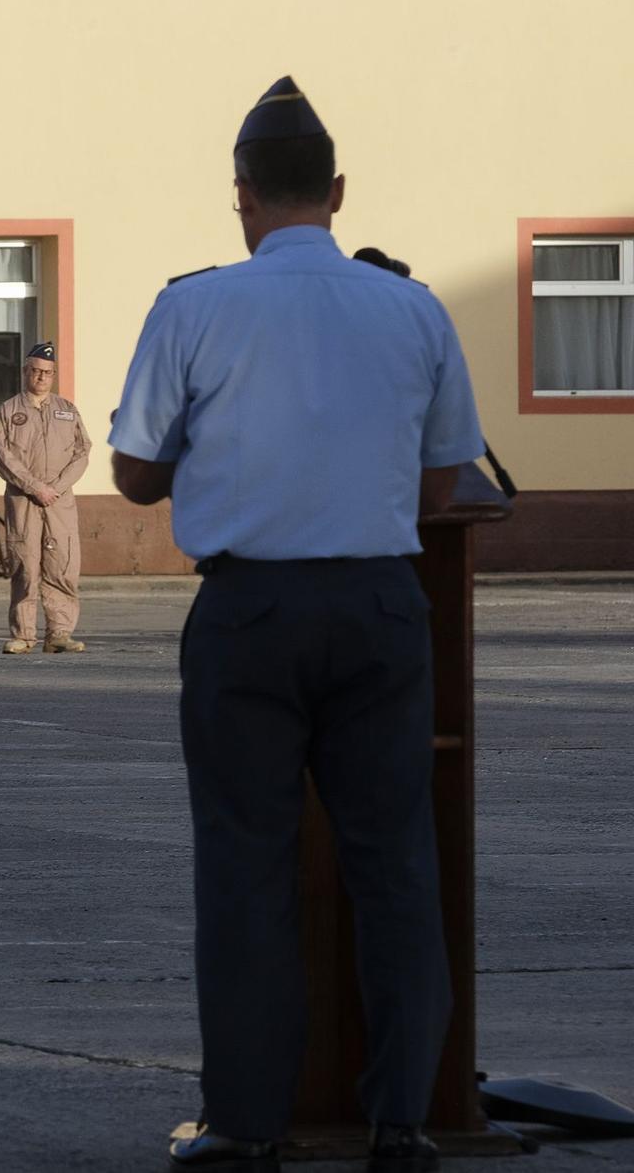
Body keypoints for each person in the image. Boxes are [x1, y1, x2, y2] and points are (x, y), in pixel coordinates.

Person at [111, 77, 483, 1171]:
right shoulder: (412, 307)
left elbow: (132, 476)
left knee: (244, 865)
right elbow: (441, 482)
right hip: (378, 605)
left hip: (249, 610)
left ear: (240, 197)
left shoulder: (193, 305)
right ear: (336, 191)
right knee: (395, 863)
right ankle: (403, 1119)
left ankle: (244, 1122)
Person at [0, 341, 92, 654]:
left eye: (47, 372)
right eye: (35, 371)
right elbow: (1, 454)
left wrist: (58, 487)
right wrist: (35, 486)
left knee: (61, 564)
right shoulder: (9, 411)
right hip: (25, 499)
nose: (41, 377)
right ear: (25, 372)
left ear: (53, 375)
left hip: (59, 501)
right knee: (26, 566)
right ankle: (23, 634)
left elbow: (82, 451)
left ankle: (59, 633)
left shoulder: (67, 409)